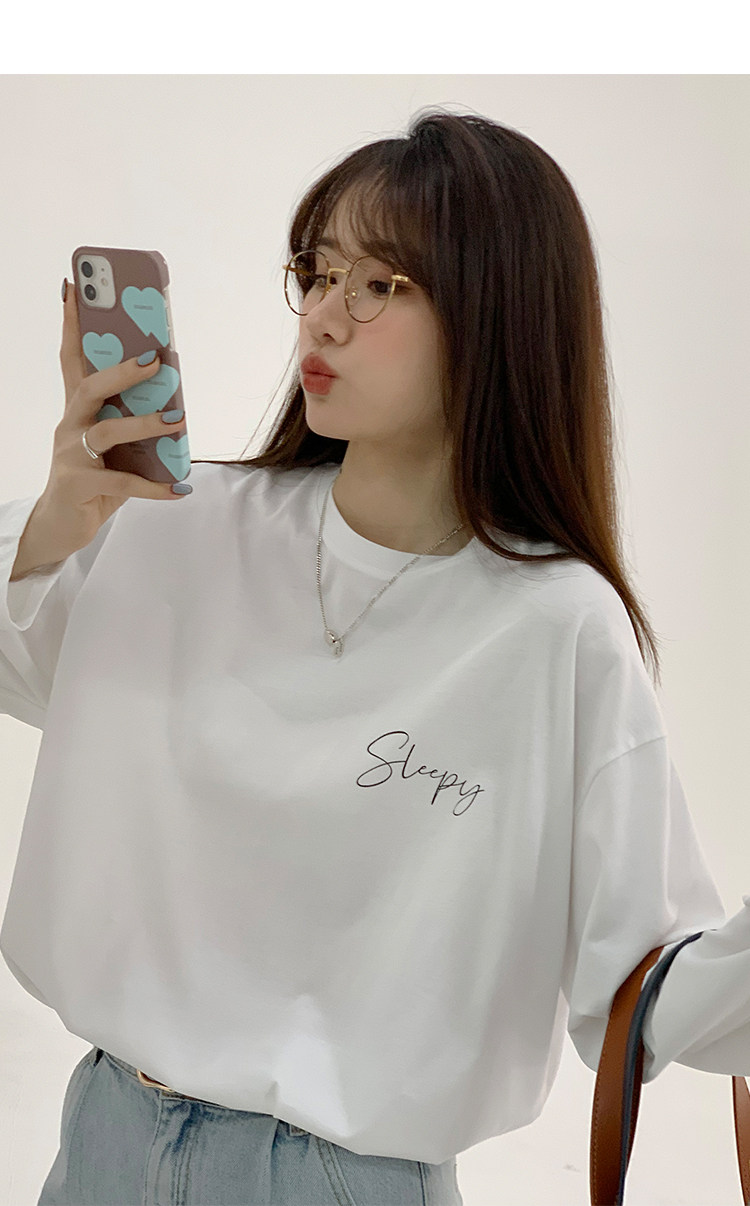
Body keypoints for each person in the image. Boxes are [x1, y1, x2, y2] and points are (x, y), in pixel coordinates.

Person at [1, 108, 748, 1206]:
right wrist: (52, 527)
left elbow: (648, 990)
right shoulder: (177, 522)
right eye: (316, 272)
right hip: (105, 1142)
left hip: (340, 1183)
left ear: (497, 313)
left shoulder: (556, 629)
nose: (323, 315)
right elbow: (28, 676)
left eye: (377, 285)